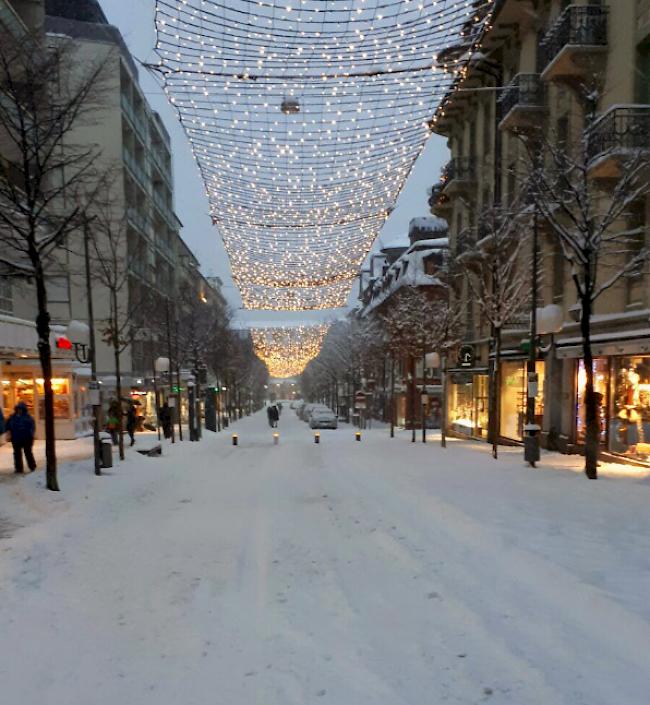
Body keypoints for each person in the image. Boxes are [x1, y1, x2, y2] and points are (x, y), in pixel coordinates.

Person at [5, 401, 36, 473]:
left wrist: (31, 435)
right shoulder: (12, 417)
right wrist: (8, 433)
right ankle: (19, 468)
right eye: (18, 409)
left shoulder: (28, 418)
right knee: (17, 454)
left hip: (27, 438)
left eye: (21, 409)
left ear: (24, 409)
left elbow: (32, 427)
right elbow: (7, 426)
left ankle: (32, 466)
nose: (19, 410)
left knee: (28, 453)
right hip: (16, 439)